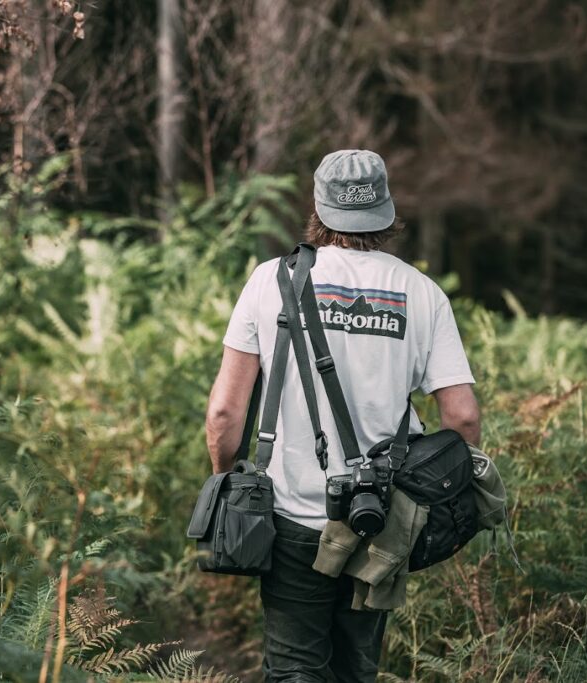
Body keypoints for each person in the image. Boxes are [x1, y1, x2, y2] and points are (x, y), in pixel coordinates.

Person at [204, 149, 480, 682]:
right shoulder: (422, 293)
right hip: (379, 521)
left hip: (289, 519)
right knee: (358, 670)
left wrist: (223, 481)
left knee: (295, 669)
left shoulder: (270, 280)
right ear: (385, 211)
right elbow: (463, 418)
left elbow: (223, 412)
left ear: (318, 207)